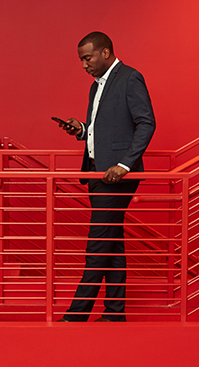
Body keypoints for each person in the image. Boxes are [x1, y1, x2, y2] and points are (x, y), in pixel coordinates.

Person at [57, 31, 155, 322]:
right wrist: (82, 130)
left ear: (106, 53)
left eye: (87, 58)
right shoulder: (95, 87)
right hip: (97, 173)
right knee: (112, 242)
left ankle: (76, 315)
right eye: (81, 60)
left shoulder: (130, 77)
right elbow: (108, 130)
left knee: (98, 243)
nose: (84, 65)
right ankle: (114, 313)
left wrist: (125, 165)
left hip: (116, 177)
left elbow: (146, 123)